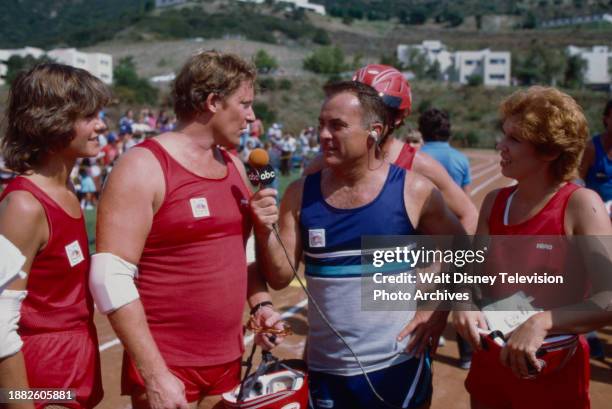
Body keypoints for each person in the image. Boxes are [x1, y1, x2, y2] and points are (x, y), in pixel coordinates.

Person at [255, 80, 467, 409]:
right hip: (325, 371)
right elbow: (280, 276)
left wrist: (437, 311)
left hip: (397, 368)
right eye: (321, 125)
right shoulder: (300, 194)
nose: (324, 135)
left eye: (337, 126)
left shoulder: (414, 190)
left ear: (374, 131)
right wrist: (262, 227)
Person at [91, 50, 283, 409]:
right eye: (244, 104)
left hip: (227, 359)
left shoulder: (235, 167)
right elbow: (109, 278)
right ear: (213, 102)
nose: (252, 117)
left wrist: (262, 304)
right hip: (168, 364)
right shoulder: (142, 167)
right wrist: (154, 373)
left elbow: (243, 255)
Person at [453, 86, 612, 409]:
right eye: (503, 135)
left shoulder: (581, 205)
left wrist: (541, 322)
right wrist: (462, 301)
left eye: (514, 139)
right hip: (491, 368)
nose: (501, 146)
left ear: (551, 151)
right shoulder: (494, 203)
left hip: (552, 378)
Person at [0, 63, 110, 409]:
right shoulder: (24, 206)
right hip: (43, 383)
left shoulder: (67, 188)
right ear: (52, 120)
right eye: (88, 116)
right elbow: (0, 324)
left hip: (73, 368)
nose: (100, 125)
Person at [305, 64, 478, 235]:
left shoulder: (420, 166)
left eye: (376, 108)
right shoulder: (322, 166)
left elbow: (469, 215)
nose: (368, 114)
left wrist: (438, 262)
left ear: (398, 117)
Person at [419, 108, 472, 195]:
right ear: (448, 132)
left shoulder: (412, 158)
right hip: (451, 208)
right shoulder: (461, 159)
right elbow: (466, 196)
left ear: (421, 131)